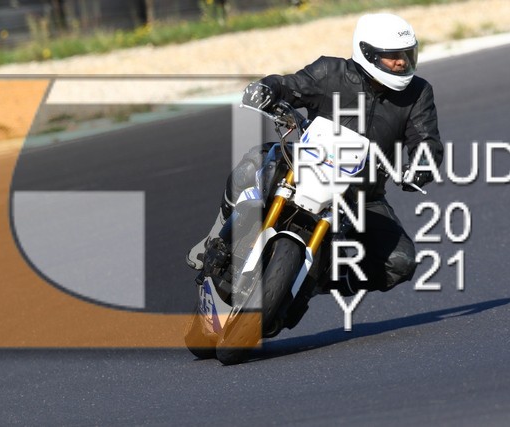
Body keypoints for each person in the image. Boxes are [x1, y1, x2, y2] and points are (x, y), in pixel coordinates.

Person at [187, 13, 443, 295]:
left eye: (406, 54)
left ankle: (315, 281)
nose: (402, 62)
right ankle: (217, 233)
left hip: (360, 196)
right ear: (368, 53)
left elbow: (427, 141)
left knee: (401, 261)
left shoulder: (418, 93)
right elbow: (288, 85)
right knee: (254, 163)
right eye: (392, 56)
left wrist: (421, 166)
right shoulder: (330, 71)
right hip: (305, 166)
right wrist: (267, 89)